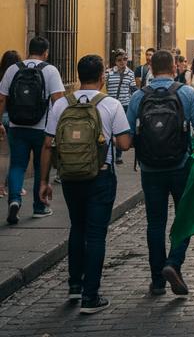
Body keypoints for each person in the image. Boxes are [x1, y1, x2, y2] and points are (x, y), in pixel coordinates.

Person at [39, 54, 131, 314]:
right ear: (102, 77)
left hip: (69, 178)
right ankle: (91, 296)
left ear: (79, 77)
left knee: (77, 227)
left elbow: (48, 144)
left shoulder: (61, 105)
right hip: (101, 176)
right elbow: (125, 144)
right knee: (96, 233)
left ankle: (74, 286)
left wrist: (43, 181)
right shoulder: (111, 104)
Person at [127, 50, 194, 297]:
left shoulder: (138, 97)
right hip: (180, 166)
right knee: (184, 218)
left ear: (150, 68)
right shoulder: (186, 93)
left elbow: (128, 136)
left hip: (150, 169)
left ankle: (157, 280)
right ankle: (173, 263)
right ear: (174, 68)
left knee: (155, 223)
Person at [0, 36, 65, 224]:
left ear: (29, 50)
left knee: (17, 165)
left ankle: (14, 200)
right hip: (42, 128)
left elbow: (2, 98)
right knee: (40, 167)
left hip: (16, 126)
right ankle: (39, 206)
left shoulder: (13, 69)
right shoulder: (50, 70)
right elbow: (58, 101)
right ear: (46, 52)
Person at [105, 49, 136, 165]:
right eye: (119, 60)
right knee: (109, 130)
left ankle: (118, 155)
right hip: (111, 105)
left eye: (124, 59)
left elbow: (132, 89)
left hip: (124, 105)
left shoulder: (130, 73)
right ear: (115, 61)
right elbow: (107, 87)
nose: (122, 62)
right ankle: (109, 153)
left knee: (120, 131)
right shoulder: (108, 73)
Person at [0, 50, 22, 198]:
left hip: (2, 117)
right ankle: (12, 187)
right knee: (12, 155)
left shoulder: (2, 77)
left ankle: (1, 187)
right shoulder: (18, 76)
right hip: (14, 119)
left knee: (3, 154)